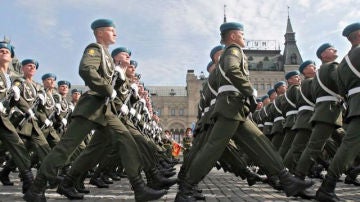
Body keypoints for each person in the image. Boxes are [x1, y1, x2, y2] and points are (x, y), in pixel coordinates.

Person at [23, 18, 167, 202]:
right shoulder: (95, 48)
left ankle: (139, 188)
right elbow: (86, 70)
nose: (115, 33)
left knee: (126, 140)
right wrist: (107, 89)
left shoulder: (107, 55)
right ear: (100, 33)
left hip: (105, 111)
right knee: (65, 148)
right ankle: (36, 189)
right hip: (91, 107)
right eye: (111, 30)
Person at [175, 22, 313, 201]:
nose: (244, 38)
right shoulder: (233, 50)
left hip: (236, 108)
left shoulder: (231, 52)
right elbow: (233, 70)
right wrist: (250, 90)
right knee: (213, 148)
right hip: (231, 107)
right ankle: (186, 189)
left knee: (259, 142)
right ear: (233, 36)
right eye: (242, 34)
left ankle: (287, 179)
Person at [316, 22, 360, 202]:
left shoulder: (342, 65)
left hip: (355, 104)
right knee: (348, 146)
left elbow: (342, 91)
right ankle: (328, 185)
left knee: (349, 145)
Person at [294, 43, 343, 181]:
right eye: (331, 49)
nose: (335, 49)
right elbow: (341, 83)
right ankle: (298, 176)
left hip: (322, 111)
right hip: (327, 110)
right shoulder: (330, 67)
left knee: (340, 141)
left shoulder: (317, 75)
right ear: (324, 54)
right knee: (314, 146)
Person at [0, 42, 33, 194]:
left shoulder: (10, 79)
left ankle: (28, 182)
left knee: (18, 145)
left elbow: (17, 98)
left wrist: (28, 111)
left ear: (11, 57)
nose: (3, 52)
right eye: (0, 50)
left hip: (3, 118)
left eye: (6, 51)